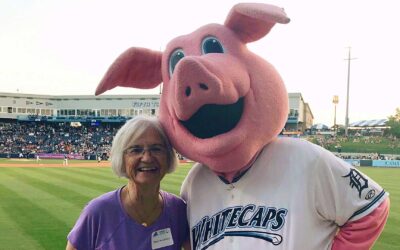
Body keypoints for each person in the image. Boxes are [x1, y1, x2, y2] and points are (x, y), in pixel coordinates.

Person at [66, 116, 190, 250]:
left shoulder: (178, 210)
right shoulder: (98, 212)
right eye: (135, 150)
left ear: (168, 157)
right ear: (122, 158)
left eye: (156, 149)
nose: (147, 158)